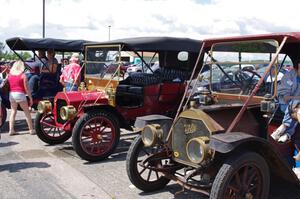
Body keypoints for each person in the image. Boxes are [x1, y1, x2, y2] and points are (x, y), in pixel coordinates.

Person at [271, 60, 300, 143]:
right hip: (285, 104)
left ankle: (284, 128)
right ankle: (287, 133)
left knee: (297, 107)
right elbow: (286, 98)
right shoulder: (289, 76)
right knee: (296, 107)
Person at [7, 60, 35, 135]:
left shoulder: (10, 75)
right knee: (27, 113)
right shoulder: (23, 75)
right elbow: (27, 88)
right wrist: (30, 98)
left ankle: (11, 130)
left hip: (11, 94)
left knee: (13, 112)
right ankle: (31, 130)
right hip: (20, 94)